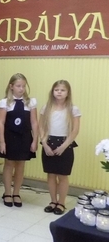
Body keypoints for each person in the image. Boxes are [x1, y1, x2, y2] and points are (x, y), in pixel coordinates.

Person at [0, 73, 38, 207]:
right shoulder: (5, 102)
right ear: (11, 86)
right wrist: (2, 142)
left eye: (23, 86)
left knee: (20, 165)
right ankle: (7, 192)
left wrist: (35, 140)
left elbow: (34, 122)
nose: (21, 89)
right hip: (10, 137)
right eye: (18, 86)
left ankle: (16, 193)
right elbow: (1, 123)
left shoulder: (30, 102)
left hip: (24, 137)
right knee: (9, 164)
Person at [40, 80, 80, 215]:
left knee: (62, 176)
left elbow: (75, 130)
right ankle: (53, 201)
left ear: (68, 93)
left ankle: (61, 202)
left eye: (62, 90)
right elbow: (41, 127)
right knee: (51, 174)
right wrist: (44, 144)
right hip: (49, 143)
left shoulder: (73, 109)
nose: (59, 92)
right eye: (57, 90)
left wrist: (63, 146)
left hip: (65, 144)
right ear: (52, 92)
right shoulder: (46, 108)